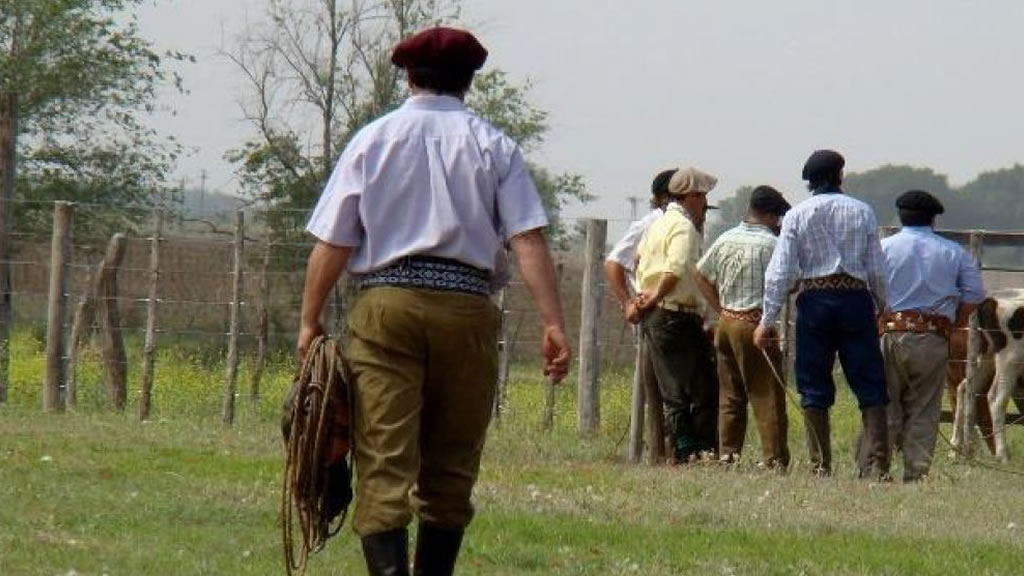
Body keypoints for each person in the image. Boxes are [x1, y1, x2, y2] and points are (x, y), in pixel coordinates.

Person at [298, 27, 571, 576]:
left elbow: (335, 241)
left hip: (386, 308)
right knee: (451, 461)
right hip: (467, 310)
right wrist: (552, 323)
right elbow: (528, 239)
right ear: (471, 80)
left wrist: (309, 321)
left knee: (384, 455)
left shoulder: (373, 139)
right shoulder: (494, 144)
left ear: (408, 75)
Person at [753, 149, 891, 480]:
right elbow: (877, 268)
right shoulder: (862, 212)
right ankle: (876, 465)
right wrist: (884, 307)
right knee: (870, 382)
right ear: (838, 175)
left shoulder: (797, 215)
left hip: (815, 299)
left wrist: (767, 320)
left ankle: (820, 465)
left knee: (813, 383)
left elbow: (779, 271)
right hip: (855, 300)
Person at [873, 190, 984, 482]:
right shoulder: (953, 251)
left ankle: (876, 469)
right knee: (924, 408)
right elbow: (974, 294)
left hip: (892, 332)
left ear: (900, 216)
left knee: (885, 404)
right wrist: (954, 321)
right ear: (933, 219)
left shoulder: (883, 247)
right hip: (934, 336)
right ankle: (916, 473)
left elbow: (869, 286)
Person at [696, 185, 792, 469]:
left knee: (730, 394)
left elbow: (701, 274)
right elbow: (791, 281)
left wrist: (721, 308)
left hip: (726, 323)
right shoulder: (772, 245)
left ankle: (729, 454)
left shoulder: (725, 238)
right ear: (772, 216)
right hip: (755, 326)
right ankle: (774, 458)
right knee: (766, 394)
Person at [635, 167, 720, 463]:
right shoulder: (684, 228)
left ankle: (682, 451)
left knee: (673, 389)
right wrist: (657, 295)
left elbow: (637, 260)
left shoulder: (657, 224)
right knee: (703, 388)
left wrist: (644, 296)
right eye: (703, 196)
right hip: (677, 313)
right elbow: (677, 268)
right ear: (691, 196)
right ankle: (699, 451)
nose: (705, 203)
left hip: (657, 315)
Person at [604, 168, 676, 463]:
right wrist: (628, 304)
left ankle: (670, 452)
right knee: (658, 384)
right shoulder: (650, 223)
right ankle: (658, 453)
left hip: (679, 312)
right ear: (662, 198)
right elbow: (614, 262)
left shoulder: (683, 225)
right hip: (655, 309)